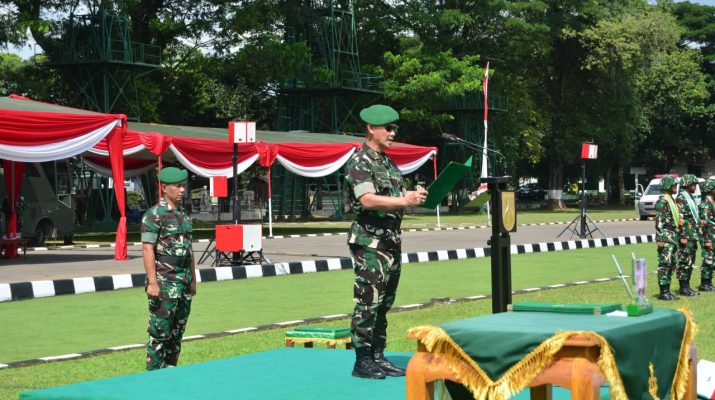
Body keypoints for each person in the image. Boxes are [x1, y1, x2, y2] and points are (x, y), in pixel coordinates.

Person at [344, 104, 428, 379]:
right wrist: (404, 200)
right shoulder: (360, 162)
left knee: (384, 303)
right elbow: (367, 200)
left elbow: (396, 197)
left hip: (391, 240)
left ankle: (378, 356)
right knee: (368, 301)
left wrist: (414, 196)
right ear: (371, 128)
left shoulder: (388, 164)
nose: (393, 133)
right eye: (388, 128)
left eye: (395, 129)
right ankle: (362, 361)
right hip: (370, 242)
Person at [141, 167, 196, 370]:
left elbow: (189, 251)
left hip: (183, 283)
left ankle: (171, 375)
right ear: (164, 188)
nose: (182, 190)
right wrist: (153, 283)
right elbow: (147, 249)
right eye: (178, 186)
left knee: (177, 333)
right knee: (160, 334)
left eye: (183, 186)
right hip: (164, 283)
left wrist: (193, 281)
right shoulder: (154, 215)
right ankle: (154, 379)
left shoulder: (184, 215)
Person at [655, 174, 681, 300]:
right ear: (667, 185)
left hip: (673, 235)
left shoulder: (671, 200)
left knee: (672, 263)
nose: (675, 186)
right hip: (665, 236)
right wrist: (659, 238)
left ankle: (667, 290)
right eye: (673, 185)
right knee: (665, 263)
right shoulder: (662, 201)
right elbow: (659, 221)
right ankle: (663, 292)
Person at [676, 174, 700, 296]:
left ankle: (687, 286)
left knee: (690, 261)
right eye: (693, 184)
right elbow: (679, 219)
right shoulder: (681, 198)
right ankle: (683, 287)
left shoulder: (690, 197)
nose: (695, 186)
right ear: (686, 184)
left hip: (692, 235)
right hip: (686, 235)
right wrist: (683, 236)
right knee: (684, 261)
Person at [698, 179, 715, 291]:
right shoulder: (705, 204)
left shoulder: (711, 202)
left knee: (711, 259)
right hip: (708, 237)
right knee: (707, 260)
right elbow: (705, 224)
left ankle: (709, 283)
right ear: (710, 190)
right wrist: (708, 240)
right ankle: (705, 284)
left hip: (712, 236)